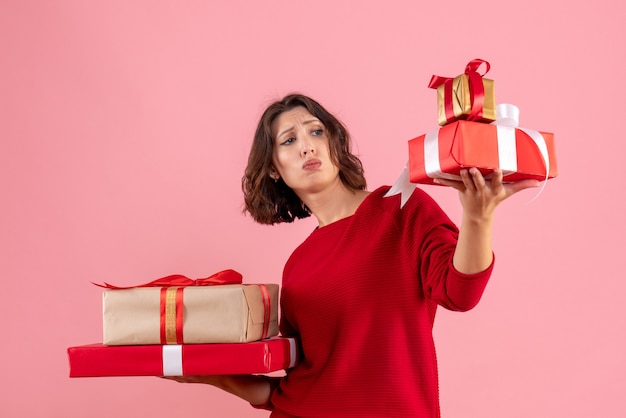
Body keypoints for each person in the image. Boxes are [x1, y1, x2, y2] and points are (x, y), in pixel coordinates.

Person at [164, 93, 540, 417]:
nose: (307, 146)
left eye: (315, 131)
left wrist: (477, 218)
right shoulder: (297, 265)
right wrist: (208, 375)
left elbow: (461, 294)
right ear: (274, 170)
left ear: (335, 144)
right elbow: (285, 389)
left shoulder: (402, 209)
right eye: (288, 140)